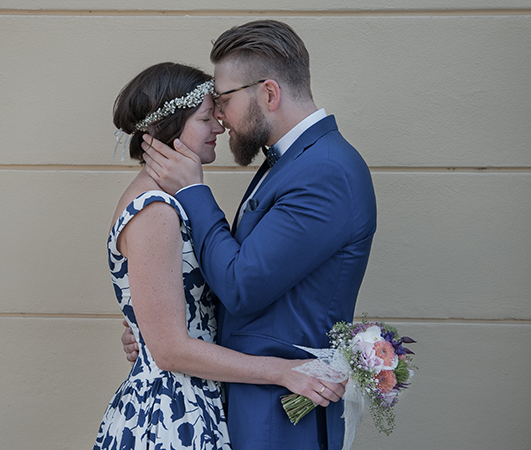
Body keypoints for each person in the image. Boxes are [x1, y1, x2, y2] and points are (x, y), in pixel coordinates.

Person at [132, 20, 377, 450]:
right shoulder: (290, 162)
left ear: (268, 93)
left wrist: (192, 191)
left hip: (279, 416)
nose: (220, 116)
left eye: (224, 99)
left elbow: (242, 285)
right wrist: (161, 332)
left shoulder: (326, 172)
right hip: (251, 402)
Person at [93, 62, 345, 450]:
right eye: (206, 117)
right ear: (168, 129)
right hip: (170, 417)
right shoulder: (155, 211)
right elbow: (171, 349)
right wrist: (285, 372)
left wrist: (143, 334)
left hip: (195, 402)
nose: (220, 127)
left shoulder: (171, 202)